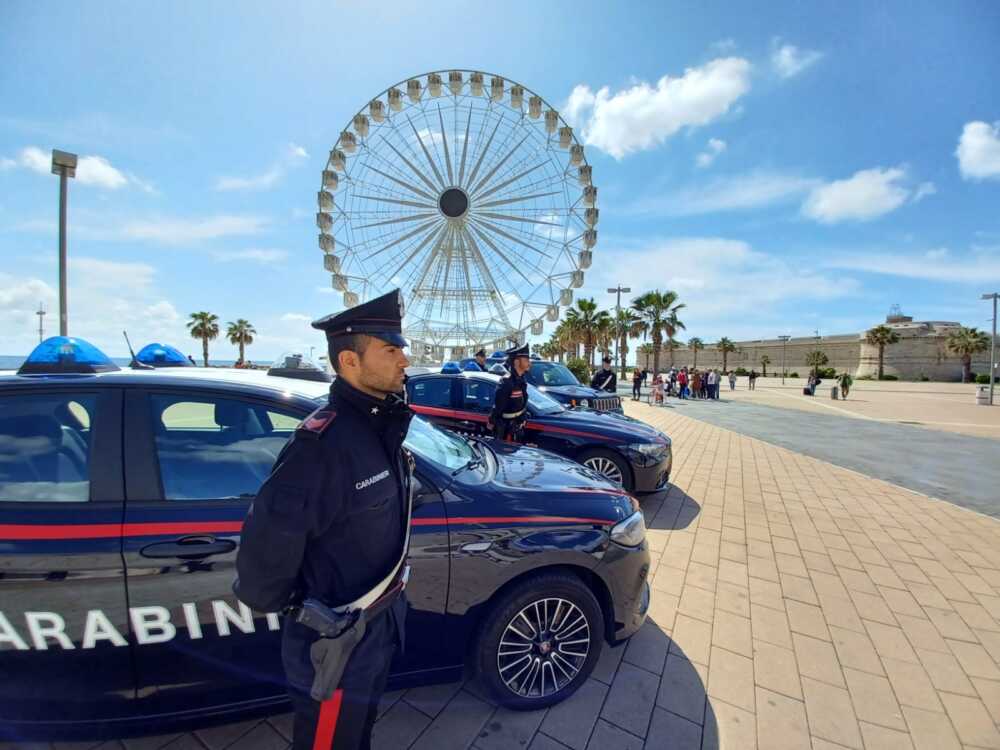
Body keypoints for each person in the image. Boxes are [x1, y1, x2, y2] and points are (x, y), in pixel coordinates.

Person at [234, 289, 413, 750]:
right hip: (336, 646)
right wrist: (305, 612)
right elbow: (267, 542)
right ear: (350, 362)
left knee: (356, 736)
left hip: (374, 633)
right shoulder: (323, 446)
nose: (405, 361)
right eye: (391, 350)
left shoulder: (379, 430)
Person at [489, 343, 530, 442]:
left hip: (517, 428)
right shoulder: (506, 382)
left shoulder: (521, 379)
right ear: (516, 362)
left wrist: (523, 418)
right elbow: (498, 407)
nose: (529, 363)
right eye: (526, 360)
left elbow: (523, 402)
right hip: (505, 430)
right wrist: (492, 421)